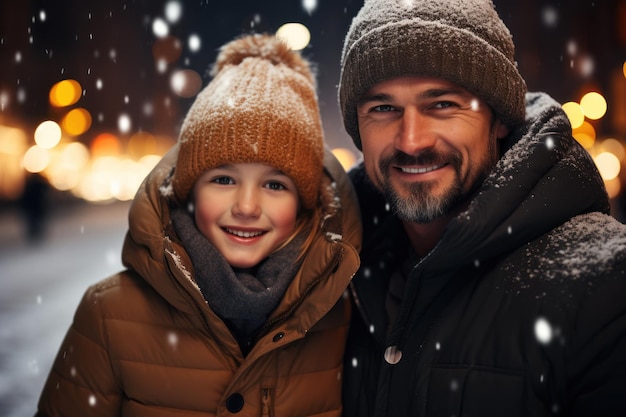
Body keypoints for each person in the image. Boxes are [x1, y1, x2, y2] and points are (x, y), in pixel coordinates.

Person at [35, 33, 361, 417]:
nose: (246, 206)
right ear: (189, 191)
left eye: (275, 185)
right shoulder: (107, 315)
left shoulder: (339, 317)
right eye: (223, 180)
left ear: (304, 203)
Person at [337, 0, 626, 416]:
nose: (412, 140)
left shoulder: (606, 286)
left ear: (500, 118)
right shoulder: (335, 281)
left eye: (442, 104)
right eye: (383, 108)